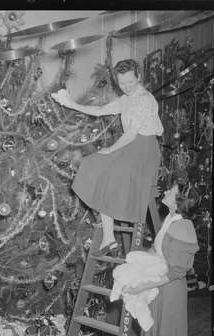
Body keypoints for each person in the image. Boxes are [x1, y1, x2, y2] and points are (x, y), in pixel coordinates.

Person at [52, 59, 164, 256]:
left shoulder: (144, 99)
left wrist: (110, 149)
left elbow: (131, 134)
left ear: (138, 77)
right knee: (92, 163)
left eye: (131, 82)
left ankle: (107, 236)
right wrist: (70, 103)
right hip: (131, 145)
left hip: (144, 148)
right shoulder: (126, 99)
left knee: (111, 170)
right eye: (122, 83)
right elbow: (99, 110)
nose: (127, 87)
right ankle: (109, 237)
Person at [123, 181, 200, 336]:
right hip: (157, 284)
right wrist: (136, 264)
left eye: (169, 192)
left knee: (166, 333)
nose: (165, 193)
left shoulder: (183, 228)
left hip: (169, 289)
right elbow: (157, 249)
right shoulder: (170, 219)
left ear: (178, 202)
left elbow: (175, 272)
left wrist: (143, 287)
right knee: (154, 330)